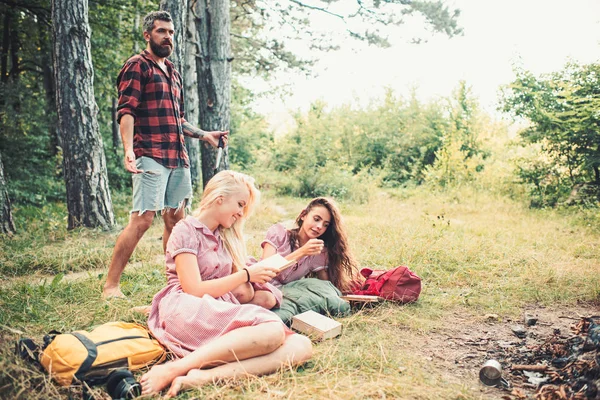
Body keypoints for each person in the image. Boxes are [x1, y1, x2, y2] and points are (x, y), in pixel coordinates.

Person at [140, 171, 313, 398]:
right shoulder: (186, 230)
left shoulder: (223, 237)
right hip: (188, 306)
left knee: (302, 345)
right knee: (272, 331)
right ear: (220, 198)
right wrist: (246, 274)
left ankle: (202, 377)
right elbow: (194, 289)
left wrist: (252, 278)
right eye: (240, 204)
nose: (241, 213)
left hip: (216, 307)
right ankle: (174, 368)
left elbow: (242, 290)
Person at [103, 11, 228, 299]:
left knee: (175, 220)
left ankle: (175, 284)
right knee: (143, 220)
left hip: (177, 157)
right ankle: (111, 285)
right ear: (148, 35)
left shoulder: (172, 71)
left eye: (170, 32)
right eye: (161, 32)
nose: (167, 37)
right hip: (150, 153)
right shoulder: (138, 66)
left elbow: (178, 119)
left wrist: (204, 135)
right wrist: (128, 150)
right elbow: (126, 111)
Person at [261, 197, 359, 293]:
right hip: (260, 285)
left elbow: (327, 286)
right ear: (303, 215)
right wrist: (302, 252)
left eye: (325, 225)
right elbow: (265, 269)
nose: (319, 226)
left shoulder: (318, 251)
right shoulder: (278, 233)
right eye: (316, 219)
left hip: (285, 293)